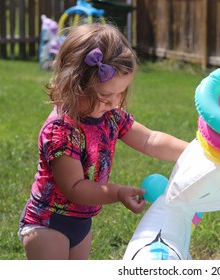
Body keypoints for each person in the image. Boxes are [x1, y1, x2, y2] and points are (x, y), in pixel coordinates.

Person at [18, 22, 189, 260]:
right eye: (105, 95)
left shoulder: (111, 116)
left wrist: (193, 153)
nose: (114, 102)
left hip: (81, 221)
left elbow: (150, 139)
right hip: (48, 223)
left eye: (121, 92)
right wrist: (117, 192)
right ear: (74, 84)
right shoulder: (61, 130)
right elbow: (75, 188)